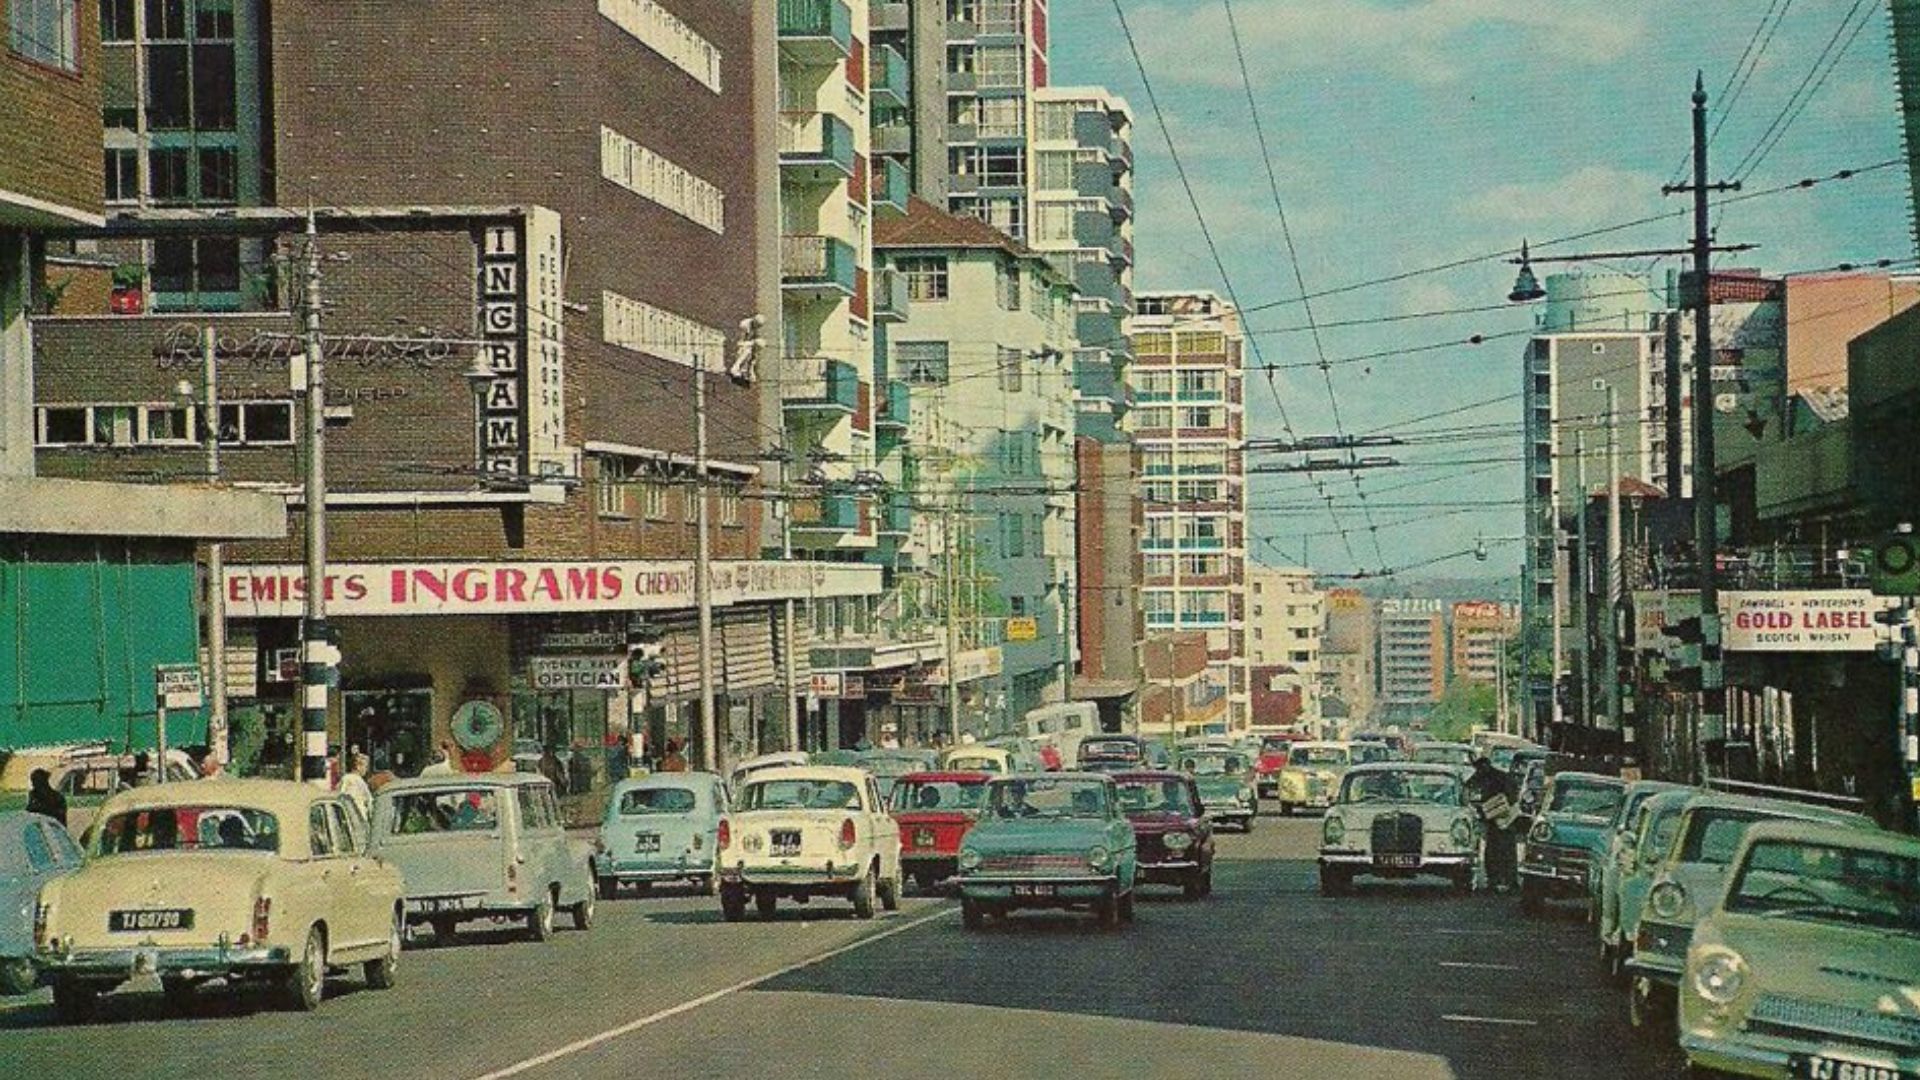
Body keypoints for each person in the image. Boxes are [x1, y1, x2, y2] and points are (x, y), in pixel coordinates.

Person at [1466, 756, 1519, 892]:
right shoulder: (1498, 776)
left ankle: (1506, 881)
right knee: (1498, 852)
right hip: (1496, 821)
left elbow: (1511, 798)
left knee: (1502, 852)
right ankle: (1500, 881)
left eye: (1479, 768)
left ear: (1485, 766)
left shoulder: (1498, 778)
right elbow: (1469, 784)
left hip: (1505, 819)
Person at [336, 749, 373, 820]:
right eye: (365, 766)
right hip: (358, 818)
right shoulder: (358, 781)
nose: (366, 770)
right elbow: (369, 802)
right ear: (358, 767)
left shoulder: (346, 778)